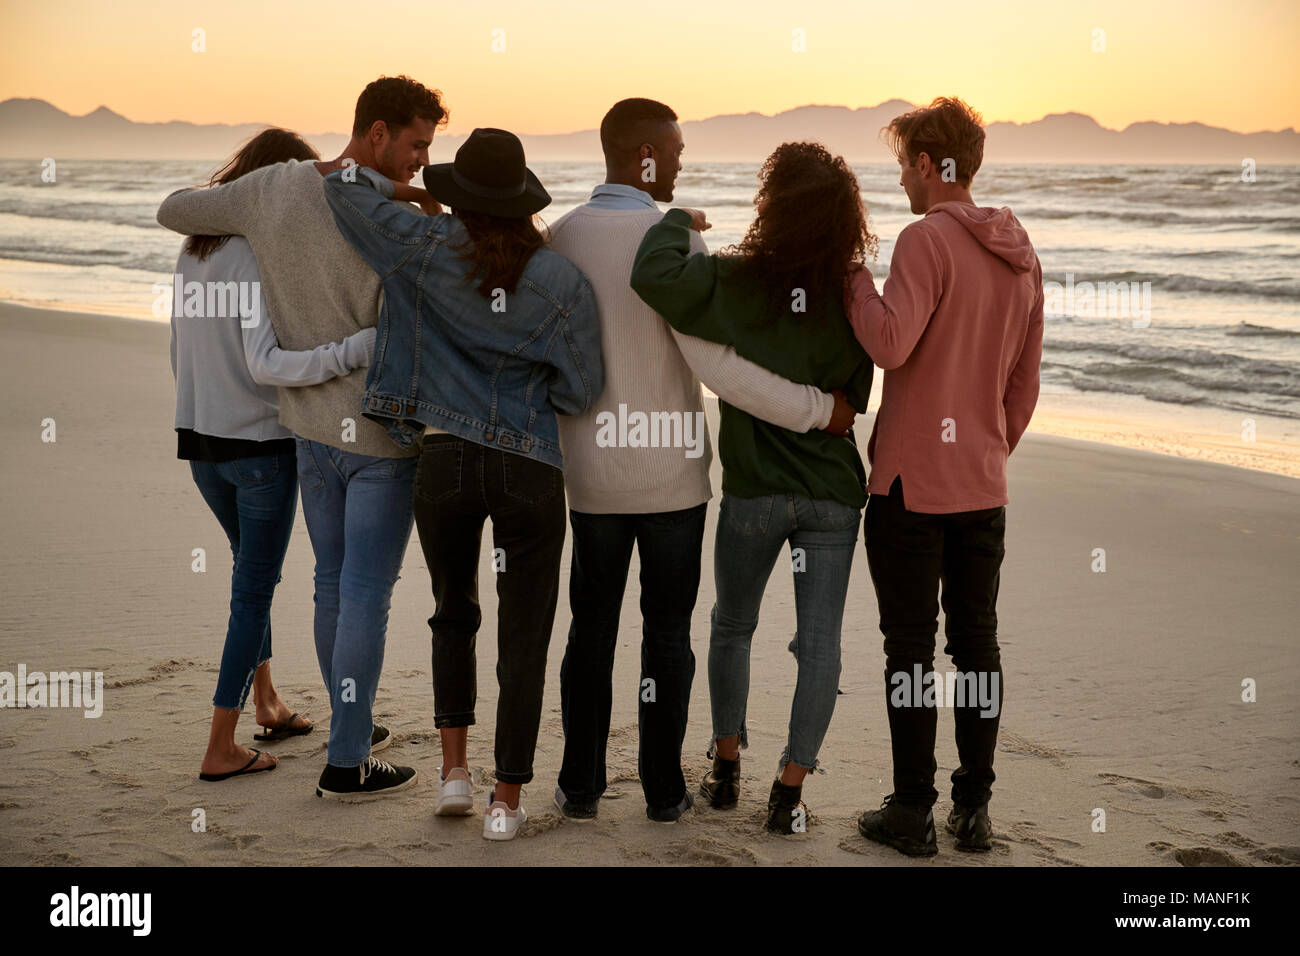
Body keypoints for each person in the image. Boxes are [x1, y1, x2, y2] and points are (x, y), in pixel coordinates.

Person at [546, 98, 858, 825]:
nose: (683, 162)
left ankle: (581, 786)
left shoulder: (559, 237)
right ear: (645, 155)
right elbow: (718, 366)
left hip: (591, 476)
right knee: (668, 636)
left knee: (590, 632)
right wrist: (820, 412)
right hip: (672, 482)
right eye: (676, 150)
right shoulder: (675, 244)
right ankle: (662, 790)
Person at [158, 76, 450, 799]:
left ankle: (342, 724)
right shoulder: (387, 213)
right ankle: (347, 759)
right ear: (377, 132)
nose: (419, 161)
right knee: (364, 594)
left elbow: (174, 209)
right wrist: (418, 205)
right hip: (378, 435)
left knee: (330, 584)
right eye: (415, 145)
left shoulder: (274, 190)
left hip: (307, 432)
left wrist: (388, 191)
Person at [322, 127, 604, 840]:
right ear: (524, 200)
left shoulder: (418, 244)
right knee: (525, 636)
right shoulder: (560, 279)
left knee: (453, 614)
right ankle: (505, 803)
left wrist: (411, 189)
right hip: (528, 466)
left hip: (442, 461)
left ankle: (454, 774)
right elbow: (581, 390)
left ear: (457, 194)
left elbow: (341, 184)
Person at [631, 141, 875, 833]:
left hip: (753, 492)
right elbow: (851, 401)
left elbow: (654, 277)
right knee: (819, 646)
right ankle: (790, 794)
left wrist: (679, 221)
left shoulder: (737, 281)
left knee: (732, 626)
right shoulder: (850, 297)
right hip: (831, 497)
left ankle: (727, 767)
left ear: (771, 205)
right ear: (844, 219)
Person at [846, 97, 1044, 856]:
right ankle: (974, 812)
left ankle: (912, 812)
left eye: (904, 165)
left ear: (928, 165)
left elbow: (891, 344)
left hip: (908, 488)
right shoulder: (1019, 250)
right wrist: (987, 453)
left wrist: (853, 280)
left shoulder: (925, 239)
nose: (901, 180)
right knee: (978, 648)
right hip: (981, 487)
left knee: (910, 652)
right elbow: (1023, 387)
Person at [171, 128, 378, 781]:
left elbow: (178, 351)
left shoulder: (193, 250)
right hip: (259, 445)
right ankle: (220, 745)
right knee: (252, 595)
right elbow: (266, 366)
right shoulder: (258, 253)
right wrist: (354, 349)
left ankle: (268, 702)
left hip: (200, 443)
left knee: (245, 578)